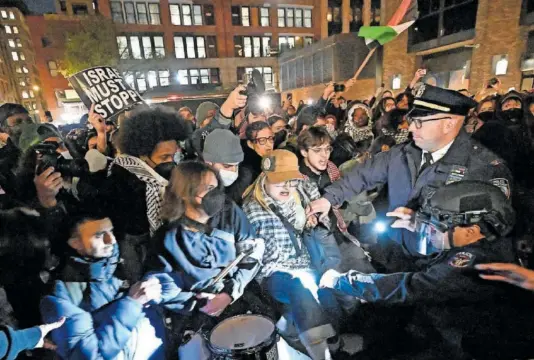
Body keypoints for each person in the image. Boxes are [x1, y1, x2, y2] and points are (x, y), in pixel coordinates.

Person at [319, 181, 534, 359]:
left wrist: (344, 281)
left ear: (471, 231)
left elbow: (412, 286)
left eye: (437, 225)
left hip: (460, 344)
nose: (430, 231)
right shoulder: (492, 241)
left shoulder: (475, 262)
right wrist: (418, 224)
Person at [307, 84, 512, 267]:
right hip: (394, 254)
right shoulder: (403, 153)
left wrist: (423, 223)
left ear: (448, 124)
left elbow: (486, 234)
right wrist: (328, 199)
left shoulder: (483, 168)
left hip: (441, 269)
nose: (411, 127)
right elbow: (362, 175)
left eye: (420, 122)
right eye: (412, 120)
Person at [146, 161, 264, 346]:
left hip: (237, 298)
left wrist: (230, 293)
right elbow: (163, 288)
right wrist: (198, 302)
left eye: (216, 188)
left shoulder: (230, 212)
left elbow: (252, 253)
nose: (215, 195)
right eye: (208, 188)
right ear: (185, 192)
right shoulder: (167, 238)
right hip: (195, 314)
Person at [242, 150, 345, 360]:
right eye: (280, 182)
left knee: (328, 297)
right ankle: (322, 355)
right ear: (265, 178)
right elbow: (249, 257)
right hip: (274, 272)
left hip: (305, 264)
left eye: (291, 181)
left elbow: (325, 220)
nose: (287, 187)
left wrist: (311, 222)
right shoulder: (251, 210)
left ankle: (332, 342)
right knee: (299, 291)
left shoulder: (301, 199)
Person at [41, 210, 171, 359]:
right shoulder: (62, 295)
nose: (111, 240)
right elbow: (91, 356)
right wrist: (132, 304)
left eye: (111, 231)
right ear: (75, 243)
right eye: (99, 235)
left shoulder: (127, 261)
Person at [103, 106, 191, 281]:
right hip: (137, 266)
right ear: (142, 155)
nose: (171, 163)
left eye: (174, 156)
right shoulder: (118, 183)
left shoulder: (169, 178)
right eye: (164, 157)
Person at [202, 129, 250, 205]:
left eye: (236, 165)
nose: (234, 171)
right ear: (208, 162)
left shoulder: (244, 180)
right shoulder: (198, 188)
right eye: (227, 166)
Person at [0, 103, 33, 196]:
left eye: (29, 120)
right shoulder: (2, 159)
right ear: (4, 128)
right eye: (18, 122)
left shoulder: (45, 148)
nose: (26, 126)